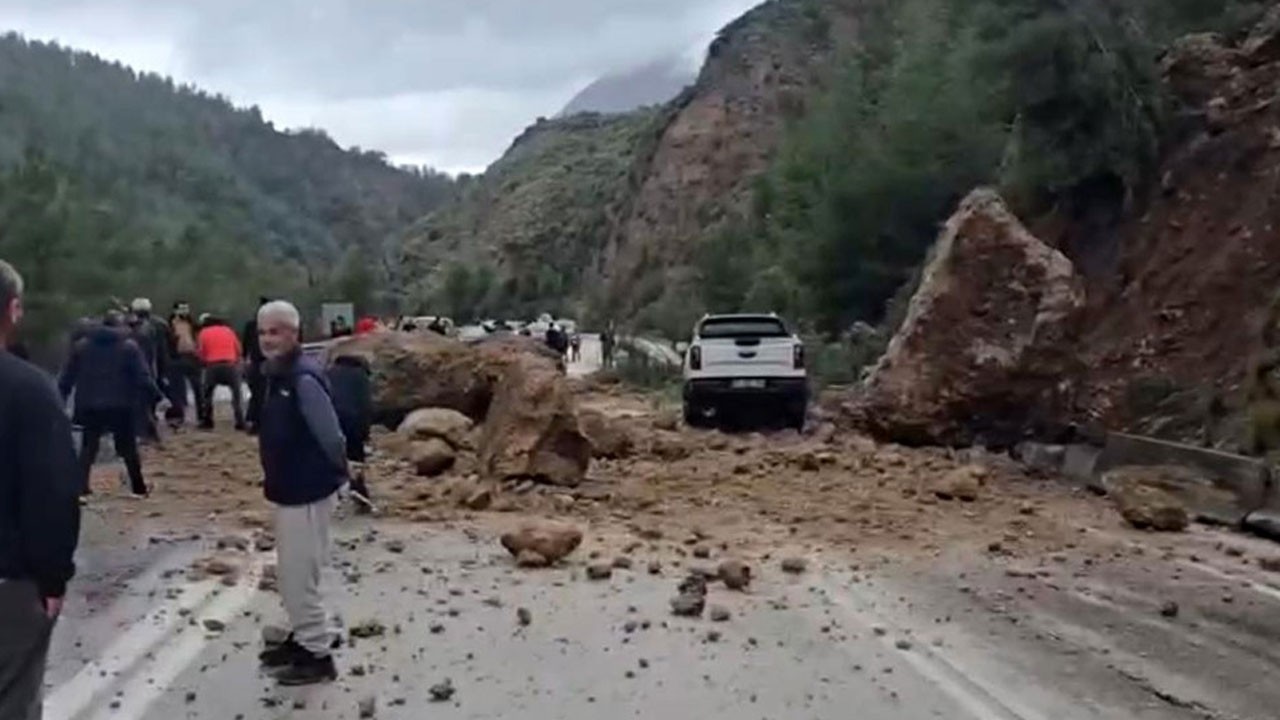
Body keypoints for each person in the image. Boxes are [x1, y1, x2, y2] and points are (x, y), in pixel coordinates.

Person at [0, 260, 81, 720]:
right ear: (14, 310)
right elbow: (51, 493)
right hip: (9, 585)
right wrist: (54, 577)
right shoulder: (30, 390)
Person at [255, 300, 346, 685]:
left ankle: (317, 654)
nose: (267, 340)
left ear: (294, 333)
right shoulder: (279, 375)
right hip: (290, 489)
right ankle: (304, 637)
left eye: (276, 332)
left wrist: (342, 472)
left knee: (297, 576)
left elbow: (331, 435)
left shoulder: (302, 379)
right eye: (262, 332)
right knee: (296, 572)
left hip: (306, 491)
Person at [59, 310, 159, 498]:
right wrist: (158, 397)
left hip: (89, 404)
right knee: (128, 448)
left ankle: (81, 490)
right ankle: (138, 488)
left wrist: (59, 400)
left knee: (88, 448)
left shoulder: (82, 346)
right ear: (119, 326)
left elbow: (67, 377)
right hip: (121, 405)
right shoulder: (129, 346)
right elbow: (143, 377)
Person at [327, 354, 374, 513]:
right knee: (355, 456)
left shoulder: (329, 372)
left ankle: (334, 492)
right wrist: (365, 432)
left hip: (331, 418)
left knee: (332, 456)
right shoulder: (360, 376)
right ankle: (358, 491)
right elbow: (364, 404)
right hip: (353, 419)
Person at [127, 298, 168, 443]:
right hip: (151, 367)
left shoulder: (129, 327)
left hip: (135, 369)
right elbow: (162, 350)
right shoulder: (158, 324)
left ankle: (145, 433)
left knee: (139, 403)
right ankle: (150, 433)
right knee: (147, 401)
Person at [197, 315, 245, 431]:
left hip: (212, 366)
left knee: (207, 395)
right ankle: (240, 422)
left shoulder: (203, 332)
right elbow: (239, 349)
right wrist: (237, 361)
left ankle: (208, 420)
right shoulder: (229, 330)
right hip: (230, 365)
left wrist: (203, 361)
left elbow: (200, 351)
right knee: (237, 395)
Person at [166, 301, 203, 428]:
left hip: (192, 357)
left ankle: (202, 415)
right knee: (177, 390)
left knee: (198, 387)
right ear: (175, 310)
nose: (184, 311)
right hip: (176, 357)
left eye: (186, 308)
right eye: (181, 309)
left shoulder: (192, 323)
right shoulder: (169, 324)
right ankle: (179, 416)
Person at [243, 297, 270, 435]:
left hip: (255, 362)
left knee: (257, 393)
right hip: (266, 362)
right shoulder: (273, 326)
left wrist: (244, 359)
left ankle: (253, 420)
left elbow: (245, 345)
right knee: (264, 393)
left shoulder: (251, 325)